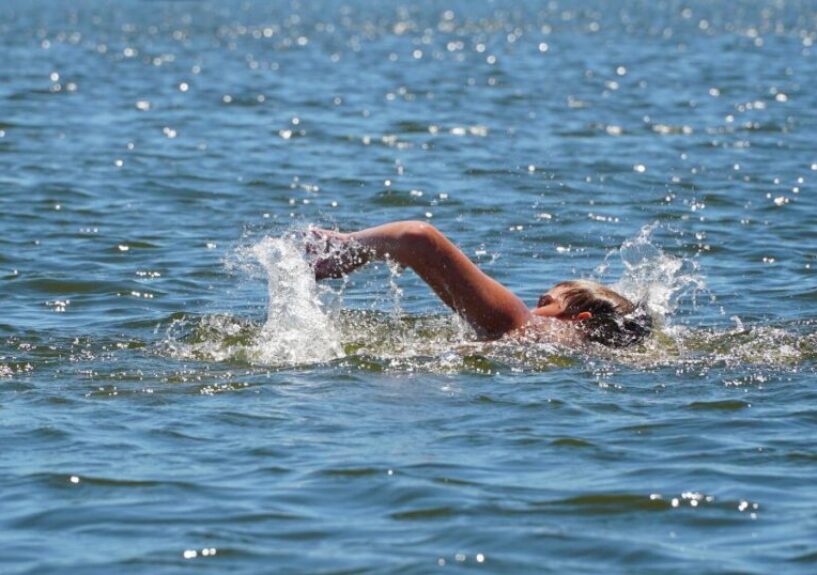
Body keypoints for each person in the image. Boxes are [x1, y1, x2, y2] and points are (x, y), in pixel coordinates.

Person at [306, 221, 651, 347]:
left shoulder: (520, 326)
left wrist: (343, 251)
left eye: (546, 302)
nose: (533, 308)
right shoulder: (569, 355)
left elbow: (418, 237)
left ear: (580, 321)